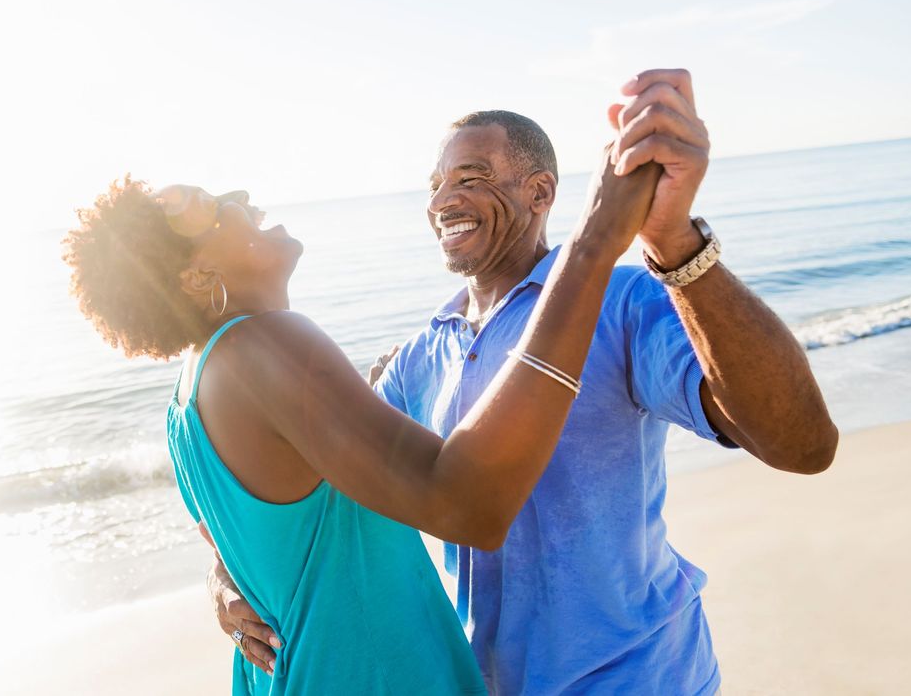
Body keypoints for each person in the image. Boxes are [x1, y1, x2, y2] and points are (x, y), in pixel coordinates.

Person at [208, 69, 839, 695]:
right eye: (435, 185)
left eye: (470, 178)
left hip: (641, 678)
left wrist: (675, 243)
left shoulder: (620, 302)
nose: (441, 202)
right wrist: (227, 569)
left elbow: (802, 445)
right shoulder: (420, 357)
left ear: (540, 193)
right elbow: (313, 494)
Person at [63, 133, 662, 693]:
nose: (239, 197)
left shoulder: (187, 397)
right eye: (214, 207)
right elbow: (468, 505)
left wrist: (222, 578)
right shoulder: (264, 346)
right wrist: (592, 248)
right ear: (197, 277)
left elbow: (236, 538)